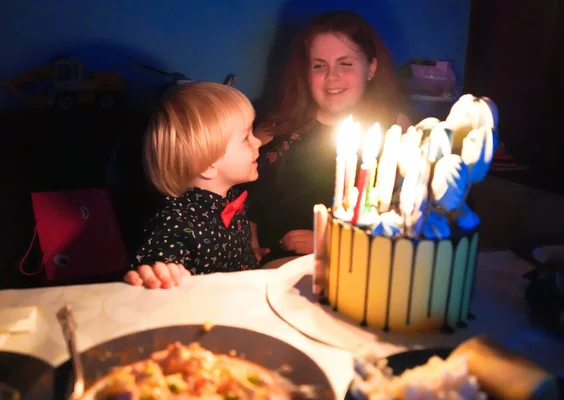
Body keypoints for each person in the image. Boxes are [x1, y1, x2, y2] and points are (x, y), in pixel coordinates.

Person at [247, 10, 410, 264]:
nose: (331, 76)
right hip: (274, 270)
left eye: (345, 64)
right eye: (319, 65)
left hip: (356, 265)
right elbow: (241, 203)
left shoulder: (394, 132)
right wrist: (250, 246)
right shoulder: (273, 131)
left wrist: (329, 242)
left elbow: (409, 222)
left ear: (371, 68)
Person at [124, 82, 263, 289]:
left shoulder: (231, 195)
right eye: (246, 137)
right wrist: (162, 273)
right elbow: (158, 264)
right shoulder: (176, 222)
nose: (258, 142)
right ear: (208, 165)